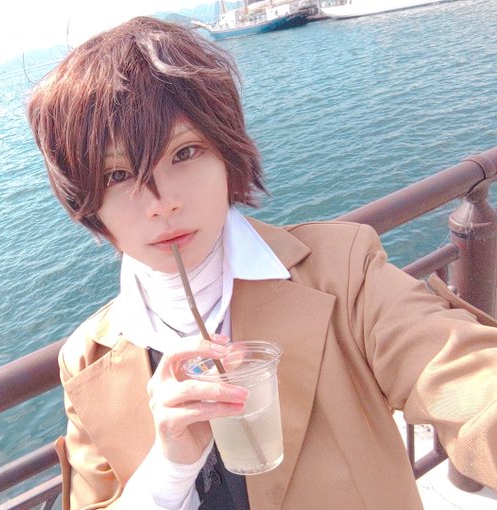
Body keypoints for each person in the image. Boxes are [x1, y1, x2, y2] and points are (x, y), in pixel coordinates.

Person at [26, 16, 497, 510]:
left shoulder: (342, 271)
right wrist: (169, 470)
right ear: (88, 203)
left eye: (185, 152)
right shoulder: (86, 360)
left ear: (227, 156)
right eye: (117, 175)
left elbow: (464, 379)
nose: (161, 203)